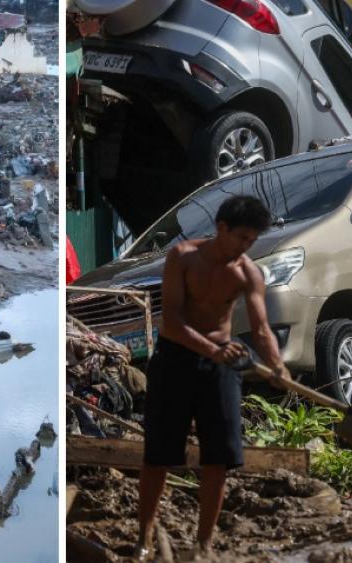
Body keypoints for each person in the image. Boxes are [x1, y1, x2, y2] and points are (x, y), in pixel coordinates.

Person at [137, 195, 291, 557]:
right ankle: (143, 536)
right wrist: (211, 349)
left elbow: (261, 327)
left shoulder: (247, 272)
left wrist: (277, 366)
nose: (244, 247)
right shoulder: (183, 258)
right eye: (241, 238)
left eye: (251, 241)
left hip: (221, 364)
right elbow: (171, 322)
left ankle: (203, 544)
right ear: (221, 228)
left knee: (218, 457)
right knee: (158, 455)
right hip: (176, 359)